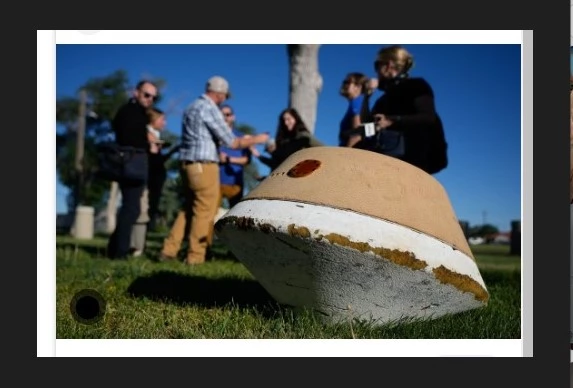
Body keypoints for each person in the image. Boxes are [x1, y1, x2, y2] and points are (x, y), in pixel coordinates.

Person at [158, 76, 269, 265]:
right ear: (220, 93)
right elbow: (232, 141)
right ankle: (195, 257)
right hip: (204, 166)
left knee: (188, 209)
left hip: (187, 165)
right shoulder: (209, 108)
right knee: (205, 212)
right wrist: (258, 139)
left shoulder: (191, 107)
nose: (224, 100)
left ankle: (169, 250)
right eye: (224, 96)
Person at [360, 45, 448, 175]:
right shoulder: (383, 99)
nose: (376, 72)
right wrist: (367, 96)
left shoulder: (416, 85)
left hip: (412, 163)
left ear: (388, 65)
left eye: (377, 65)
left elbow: (428, 117)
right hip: (383, 161)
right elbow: (367, 126)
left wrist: (392, 121)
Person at [106, 80, 157, 260]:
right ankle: (119, 252)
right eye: (146, 94)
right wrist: (148, 144)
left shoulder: (135, 112)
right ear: (137, 92)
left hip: (130, 165)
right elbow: (129, 137)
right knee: (131, 208)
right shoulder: (131, 111)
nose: (150, 99)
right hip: (131, 165)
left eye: (153, 97)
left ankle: (114, 248)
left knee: (130, 208)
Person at [130, 107, 180, 256]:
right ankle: (135, 247)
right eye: (162, 119)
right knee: (141, 211)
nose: (164, 123)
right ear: (153, 119)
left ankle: (140, 245)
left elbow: (158, 160)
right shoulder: (147, 134)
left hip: (155, 179)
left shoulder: (156, 136)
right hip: (146, 179)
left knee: (148, 212)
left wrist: (170, 151)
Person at [257, 108, 324, 172]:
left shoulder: (303, 136)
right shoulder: (284, 141)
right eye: (284, 120)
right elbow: (276, 163)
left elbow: (323, 149)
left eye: (288, 119)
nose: (286, 123)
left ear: (295, 119)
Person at [218, 104, 251, 208]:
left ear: (233, 117)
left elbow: (247, 160)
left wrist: (228, 159)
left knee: (234, 217)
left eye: (227, 114)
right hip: (214, 182)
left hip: (235, 184)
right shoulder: (212, 136)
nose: (225, 117)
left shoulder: (242, 137)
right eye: (221, 115)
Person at [338, 72, 378, 148]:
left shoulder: (356, 102)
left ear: (358, 87)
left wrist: (345, 154)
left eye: (347, 82)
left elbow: (357, 134)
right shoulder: (360, 102)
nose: (344, 85)